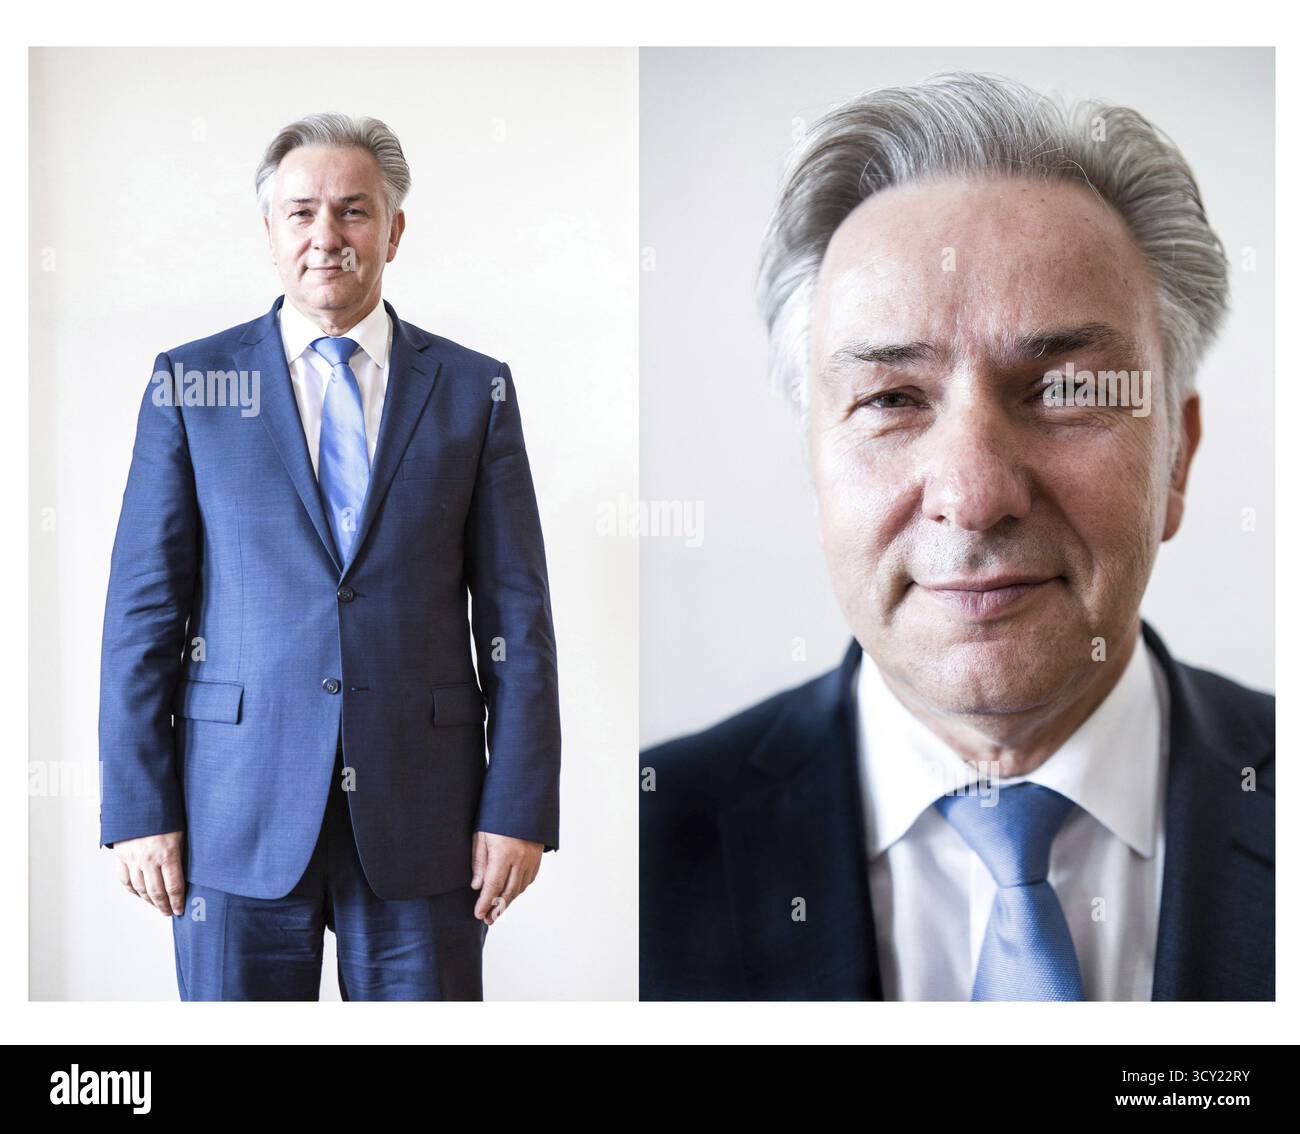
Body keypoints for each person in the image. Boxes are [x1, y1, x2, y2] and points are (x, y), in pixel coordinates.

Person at [640, 73, 1273, 1001]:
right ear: (814, 467)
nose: (974, 496)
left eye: (1066, 390)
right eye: (891, 399)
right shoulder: (639, 858)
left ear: (1176, 460)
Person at [99, 112, 561, 1001]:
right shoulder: (191, 383)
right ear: (270, 233)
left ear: (393, 230)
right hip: (232, 811)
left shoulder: (475, 389)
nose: (326, 236)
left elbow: (518, 619)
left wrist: (520, 807)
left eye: (353, 212)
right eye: (302, 212)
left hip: (427, 815)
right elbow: (143, 614)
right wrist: (137, 808)